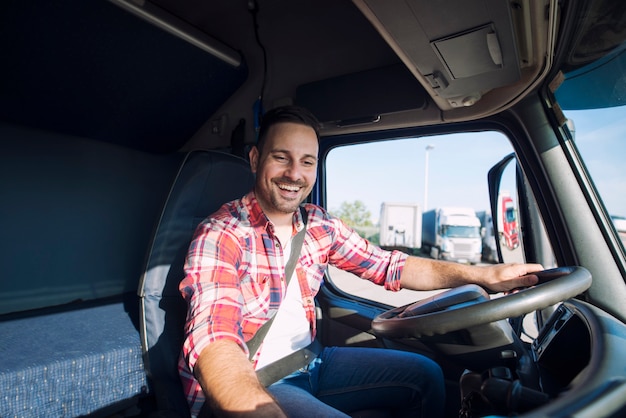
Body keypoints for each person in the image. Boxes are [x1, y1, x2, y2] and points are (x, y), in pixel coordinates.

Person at [178, 105, 543, 418]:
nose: (295, 174)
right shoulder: (222, 233)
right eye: (281, 157)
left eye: (307, 162)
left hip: (312, 361)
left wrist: (487, 275)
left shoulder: (318, 225)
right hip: (259, 377)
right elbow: (214, 340)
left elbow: (391, 266)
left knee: (426, 375)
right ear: (256, 159)